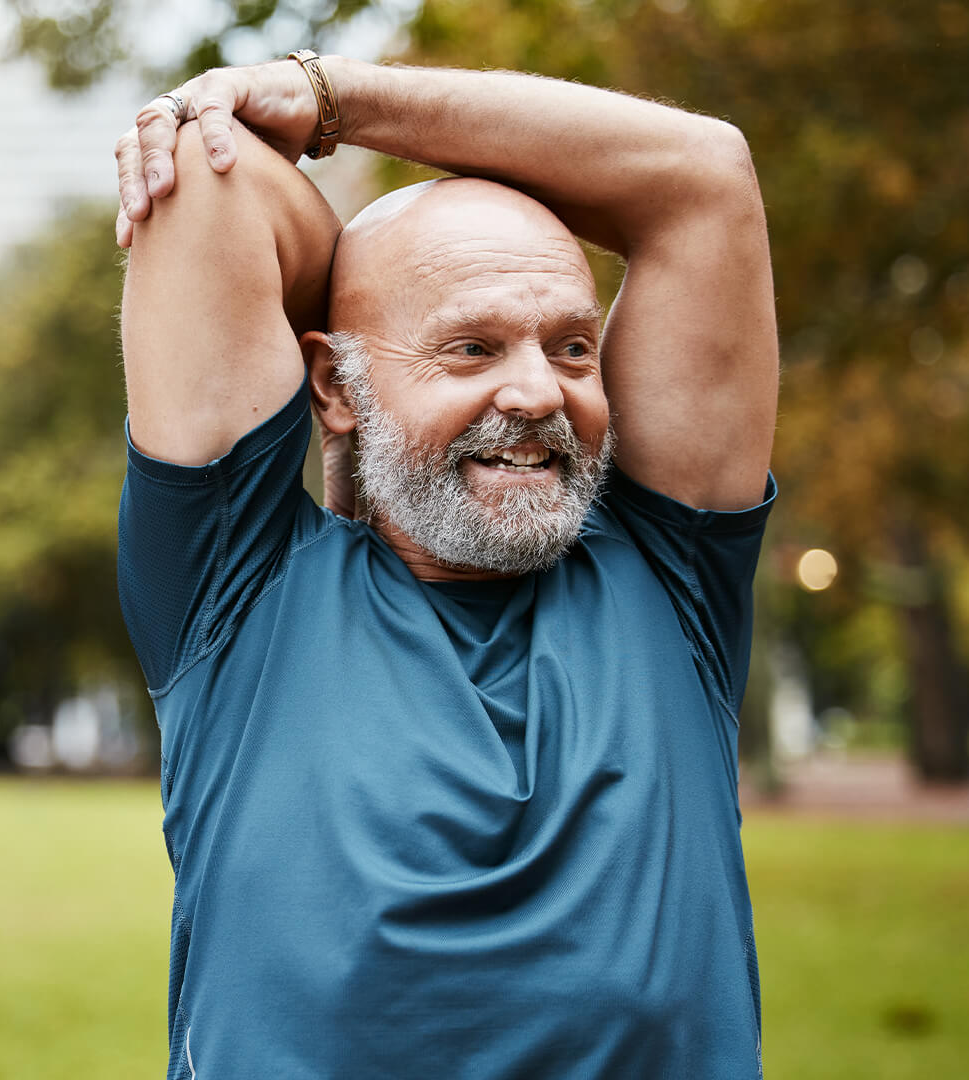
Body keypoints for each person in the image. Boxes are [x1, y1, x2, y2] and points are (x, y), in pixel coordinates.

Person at [114, 51, 778, 1080]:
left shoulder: (669, 570)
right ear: (331, 382)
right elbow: (209, 180)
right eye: (470, 348)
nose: (538, 393)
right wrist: (372, 343)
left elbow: (702, 176)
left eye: (571, 346)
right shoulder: (237, 594)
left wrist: (338, 98)